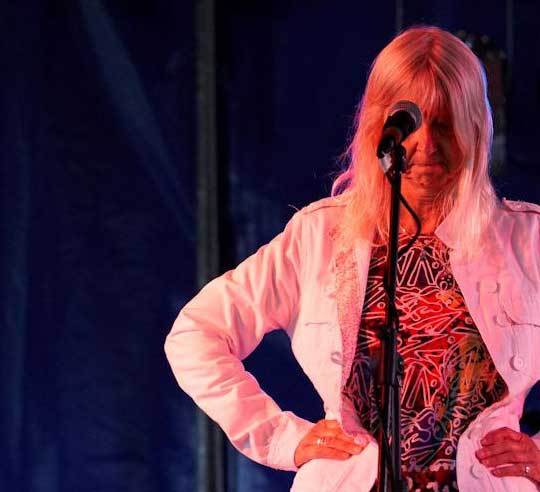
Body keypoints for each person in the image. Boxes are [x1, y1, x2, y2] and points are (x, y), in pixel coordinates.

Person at [165, 25, 540, 491]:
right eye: (411, 122)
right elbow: (196, 333)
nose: (426, 145)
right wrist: (282, 438)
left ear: (477, 129)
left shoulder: (527, 240)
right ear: (379, 127)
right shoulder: (321, 235)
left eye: (446, 124)